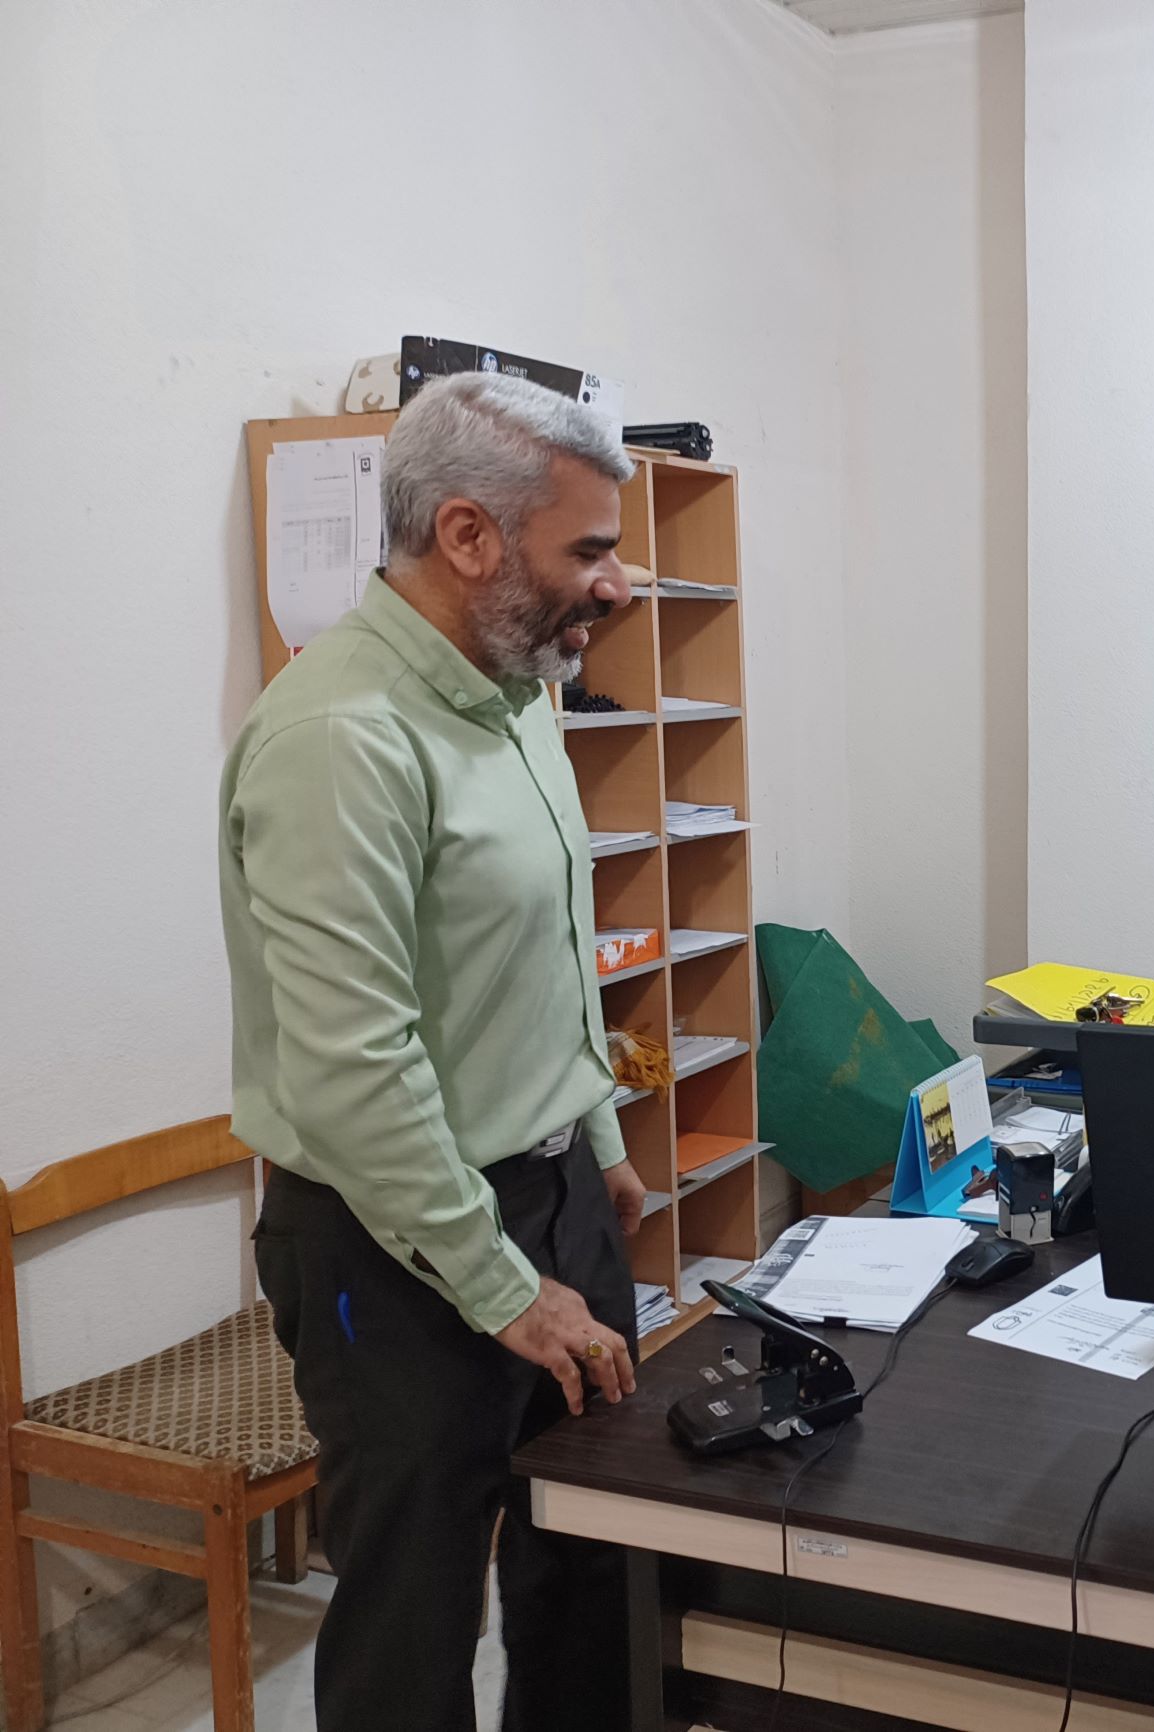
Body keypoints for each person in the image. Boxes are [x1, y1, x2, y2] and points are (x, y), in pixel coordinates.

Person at [220, 372, 645, 1732]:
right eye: (588, 549)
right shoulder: (341, 738)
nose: (617, 583)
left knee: (591, 1559)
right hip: (393, 1239)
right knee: (414, 1616)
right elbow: (355, 1068)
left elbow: (545, 941)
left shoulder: (515, 687)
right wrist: (506, 1288)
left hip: (554, 1191)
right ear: (469, 536)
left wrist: (597, 1139)